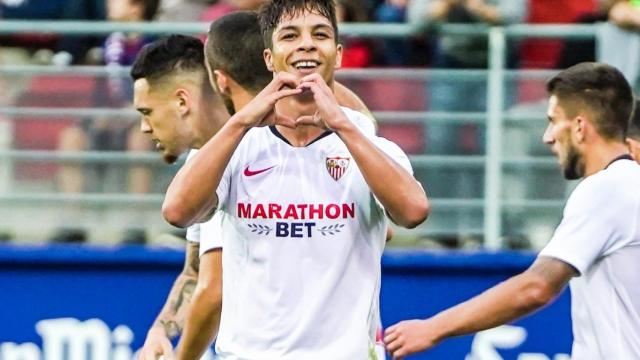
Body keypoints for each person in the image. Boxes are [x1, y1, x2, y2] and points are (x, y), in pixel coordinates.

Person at [162, 1, 429, 358]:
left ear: (337, 55)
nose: (306, 44)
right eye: (290, 35)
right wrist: (241, 121)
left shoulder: (369, 144)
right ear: (270, 59)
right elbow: (177, 212)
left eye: (320, 34)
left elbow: (413, 212)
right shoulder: (235, 146)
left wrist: (342, 125)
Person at [131, 24, 382, 358]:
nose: (145, 127)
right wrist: (161, 329)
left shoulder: (239, 156)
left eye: (146, 112)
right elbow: (196, 273)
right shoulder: (209, 161)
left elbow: (212, 289)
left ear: (218, 81)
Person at [384, 62, 640, 359]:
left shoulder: (606, 189)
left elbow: (536, 287)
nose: (547, 136)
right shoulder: (628, 185)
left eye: (554, 121)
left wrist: (433, 328)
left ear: (580, 127)